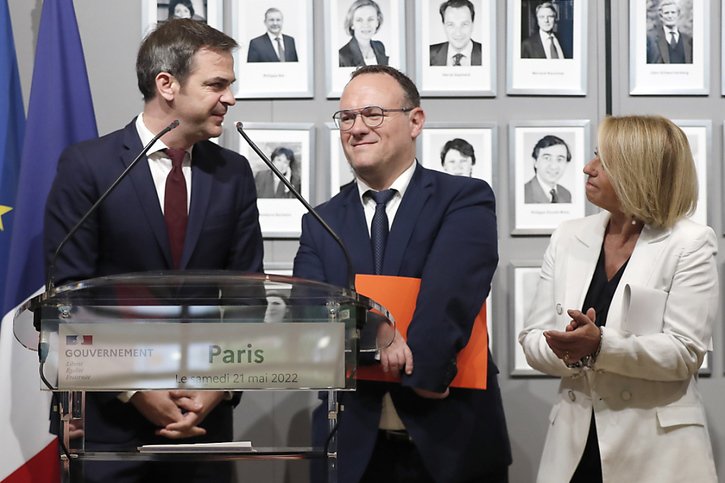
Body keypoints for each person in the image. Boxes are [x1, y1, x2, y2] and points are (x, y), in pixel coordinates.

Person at [44, 19, 264, 483]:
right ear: (167, 84)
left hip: (205, 423)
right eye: (216, 84)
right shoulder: (89, 166)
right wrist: (138, 390)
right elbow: (69, 298)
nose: (230, 98)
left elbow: (249, 297)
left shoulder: (235, 173)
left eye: (230, 85)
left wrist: (217, 388)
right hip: (109, 424)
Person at [294, 65, 511, 483]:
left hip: (449, 439)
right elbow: (310, 309)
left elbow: (452, 292)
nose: (357, 128)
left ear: (415, 121)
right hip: (352, 448)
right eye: (347, 117)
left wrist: (424, 374)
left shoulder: (463, 198)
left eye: (373, 113)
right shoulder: (320, 221)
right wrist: (375, 329)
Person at [518, 115, 718, 483]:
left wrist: (599, 346)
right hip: (574, 449)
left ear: (638, 172)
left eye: (603, 161)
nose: (587, 168)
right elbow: (532, 338)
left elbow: (685, 352)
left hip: (657, 453)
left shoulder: (690, 242)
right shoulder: (567, 236)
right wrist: (568, 350)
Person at [429, 0, 482, 66]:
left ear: (472, 24)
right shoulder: (427, 54)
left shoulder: (488, 54)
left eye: (464, 24)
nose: (458, 33)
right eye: (451, 24)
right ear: (443, 25)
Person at [339, 0, 389, 67]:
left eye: (370, 19)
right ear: (352, 24)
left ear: (377, 22)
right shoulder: (342, 55)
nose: (366, 25)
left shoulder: (380, 46)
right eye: (359, 20)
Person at [524, 134, 572, 204]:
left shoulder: (566, 194)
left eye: (559, 159)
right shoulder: (523, 194)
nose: (553, 166)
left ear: (566, 164)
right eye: (547, 158)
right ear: (535, 162)